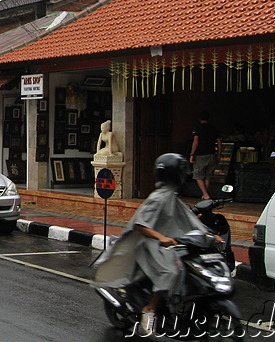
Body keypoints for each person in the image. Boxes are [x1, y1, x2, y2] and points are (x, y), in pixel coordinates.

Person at [93, 153, 215, 336]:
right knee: (171, 270)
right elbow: (141, 224)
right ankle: (149, 309)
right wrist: (161, 238)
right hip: (149, 244)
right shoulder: (158, 197)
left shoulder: (171, 196)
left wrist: (209, 234)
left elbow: (189, 219)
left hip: (164, 244)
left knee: (186, 266)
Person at [189, 111, 222, 200]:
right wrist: (219, 154)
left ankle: (205, 194)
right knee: (208, 175)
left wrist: (192, 154)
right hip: (211, 154)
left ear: (199, 119)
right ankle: (205, 195)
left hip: (200, 155)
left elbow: (196, 141)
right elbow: (219, 142)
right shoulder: (214, 128)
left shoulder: (198, 128)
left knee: (198, 175)